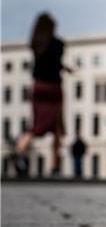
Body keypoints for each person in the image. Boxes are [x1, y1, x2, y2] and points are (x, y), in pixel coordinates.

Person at [14, 13, 72, 177]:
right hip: (53, 88)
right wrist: (64, 68)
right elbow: (55, 63)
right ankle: (55, 165)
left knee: (36, 125)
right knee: (56, 127)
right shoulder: (58, 44)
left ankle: (20, 151)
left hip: (38, 86)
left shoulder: (35, 43)